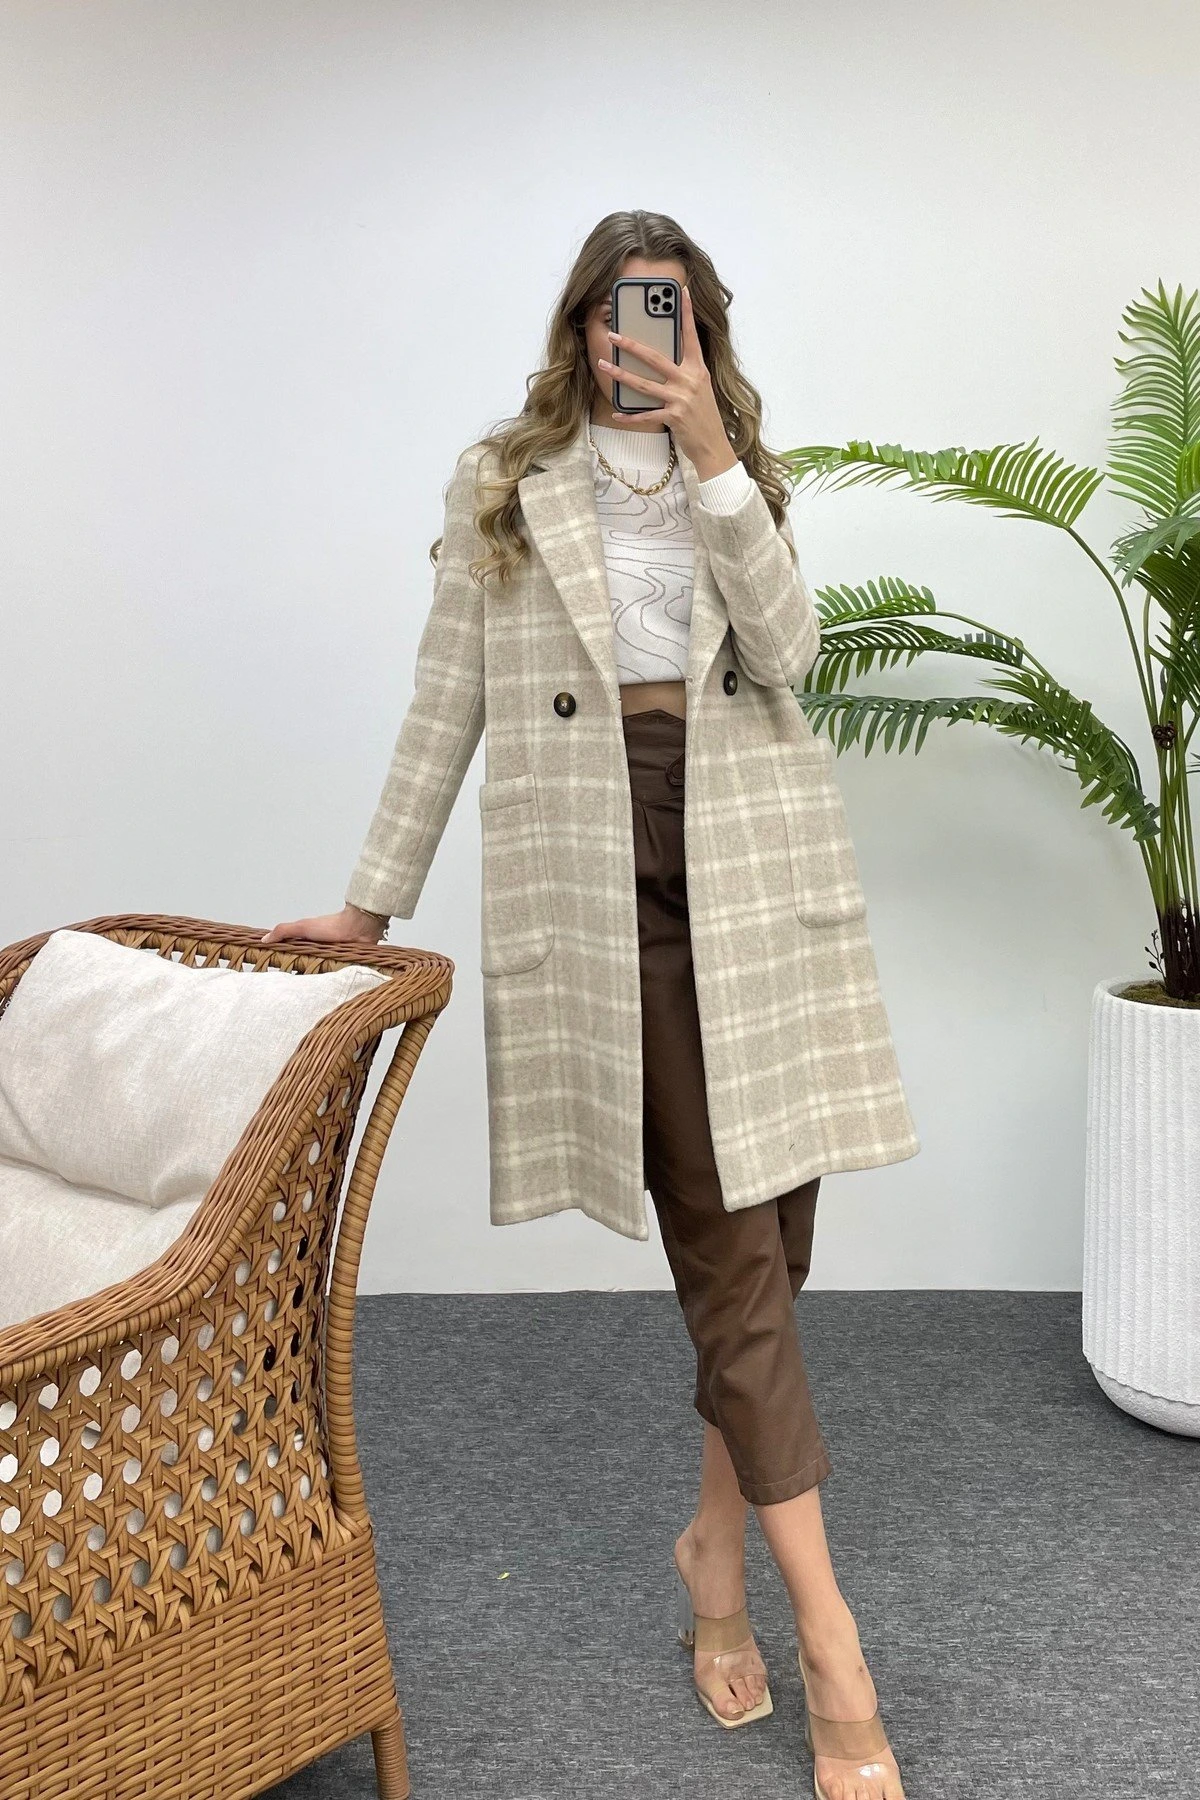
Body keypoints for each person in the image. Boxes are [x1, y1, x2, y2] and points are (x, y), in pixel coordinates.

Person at [263, 210, 916, 1800]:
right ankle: (833, 1643)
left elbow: (792, 653)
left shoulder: (738, 470)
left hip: (755, 860)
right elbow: (447, 694)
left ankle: (714, 1551)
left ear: (703, 328)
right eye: (627, 311)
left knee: (775, 1240)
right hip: (602, 863)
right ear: (581, 326)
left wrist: (712, 458)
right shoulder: (505, 481)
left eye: (673, 311)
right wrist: (369, 901)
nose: (646, 337)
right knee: (729, 1249)